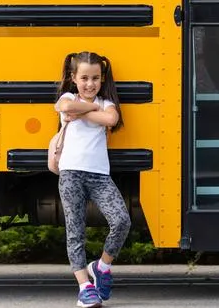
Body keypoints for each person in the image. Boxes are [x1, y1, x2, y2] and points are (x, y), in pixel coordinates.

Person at [54, 51, 131, 307]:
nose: (90, 84)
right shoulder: (68, 97)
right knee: (75, 232)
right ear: (73, 78)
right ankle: (84, 287)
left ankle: (102, 267)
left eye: (95, 78)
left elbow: (111, 118)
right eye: (84, 78)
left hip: (99, 175)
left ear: (102, 79)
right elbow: (65, 107)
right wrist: (92, 107)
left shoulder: (106, 103)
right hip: (70, 173)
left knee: (121, 220)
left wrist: (85, 109)